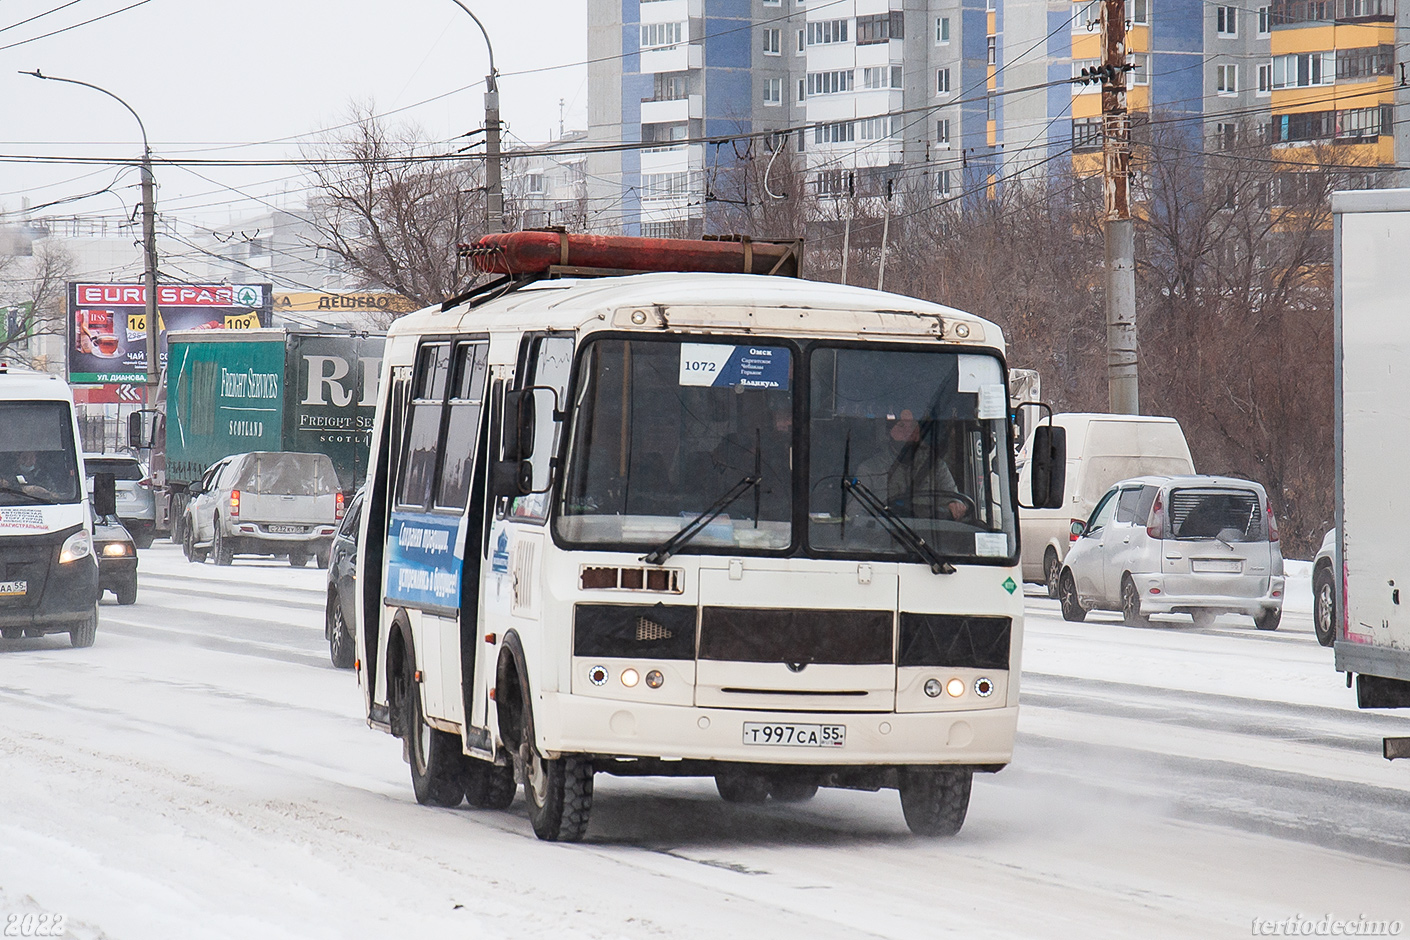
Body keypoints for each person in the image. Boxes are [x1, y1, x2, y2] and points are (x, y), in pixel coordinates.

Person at [854, 409, 968, 520]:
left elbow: (953, 499)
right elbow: (856, 514)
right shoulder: (869, 469)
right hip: (885, 535)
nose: (908, 431)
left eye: (913, 425)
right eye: (901, 425)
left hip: (931, 534)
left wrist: (955, 505)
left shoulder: (936, 466)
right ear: (889, 430)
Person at [0, 450, 70, 502]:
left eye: (31, 459)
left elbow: (52, 494)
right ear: (18, 460)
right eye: (24, 458)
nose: (27, 462)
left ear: (35, 460)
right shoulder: (8, 475)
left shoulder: (44, 476)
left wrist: (38, 490)